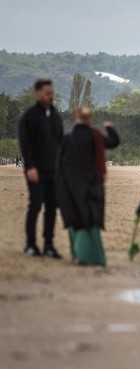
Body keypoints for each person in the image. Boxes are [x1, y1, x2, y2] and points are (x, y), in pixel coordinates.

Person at [56, 107, 120, 266]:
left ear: (74, 118)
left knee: (75, 217)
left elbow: (60, 165)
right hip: (92, 184)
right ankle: (92, 257)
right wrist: (109, 127)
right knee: (91, 219)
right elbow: (114, 142)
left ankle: (77, 254)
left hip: (71, 185)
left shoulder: (67, 139)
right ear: (90, 119)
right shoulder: (96, 136)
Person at [19, 79, 64, 258]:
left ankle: (49, 244)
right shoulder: (29, 116)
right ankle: (31, 245)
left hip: (54, 170)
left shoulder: (55, 116)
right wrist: (30, 166)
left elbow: (60, 142)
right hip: (35, 170)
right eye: (47, 93)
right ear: (38, 94)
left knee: (52, 207)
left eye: (52, 93)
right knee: (35, 205)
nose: (50, 96)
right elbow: (25, 143)